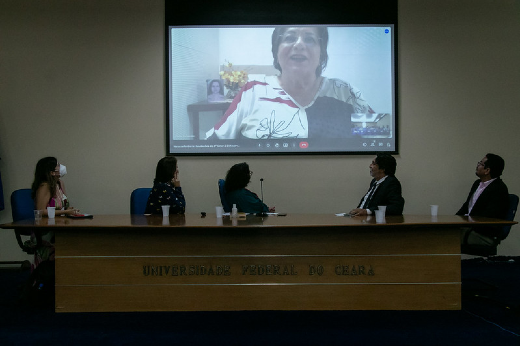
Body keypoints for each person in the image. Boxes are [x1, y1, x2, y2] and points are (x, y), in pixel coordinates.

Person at [206, 26, 373, 140]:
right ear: (276, 50)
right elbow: (214, 140)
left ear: (321, 53)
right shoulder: (253, 91)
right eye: (289, 38)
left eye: (309, 39)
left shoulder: (345, 91)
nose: (299, 44)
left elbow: (381, 144)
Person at [30, 156, 79, 268]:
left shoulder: (59, 183)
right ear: (51, 172)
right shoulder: (44, 187)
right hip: (46, 230)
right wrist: (64, 212)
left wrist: (69, 210)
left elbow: (64, 205)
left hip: (60, 226)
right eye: (57, 165)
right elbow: (40, 211)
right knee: (66, 246)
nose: (61, 166)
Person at [457, 153, 509, 246]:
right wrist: (453, 221)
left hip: (483, 233)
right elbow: (467, 206)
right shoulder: (477, 183)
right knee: (442, 232)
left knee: (447, 237)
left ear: (487, 170)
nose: (477, 165)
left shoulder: (499, 189)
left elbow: (488, 216)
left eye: (480, 163)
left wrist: (466, 224)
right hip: (469, 227)